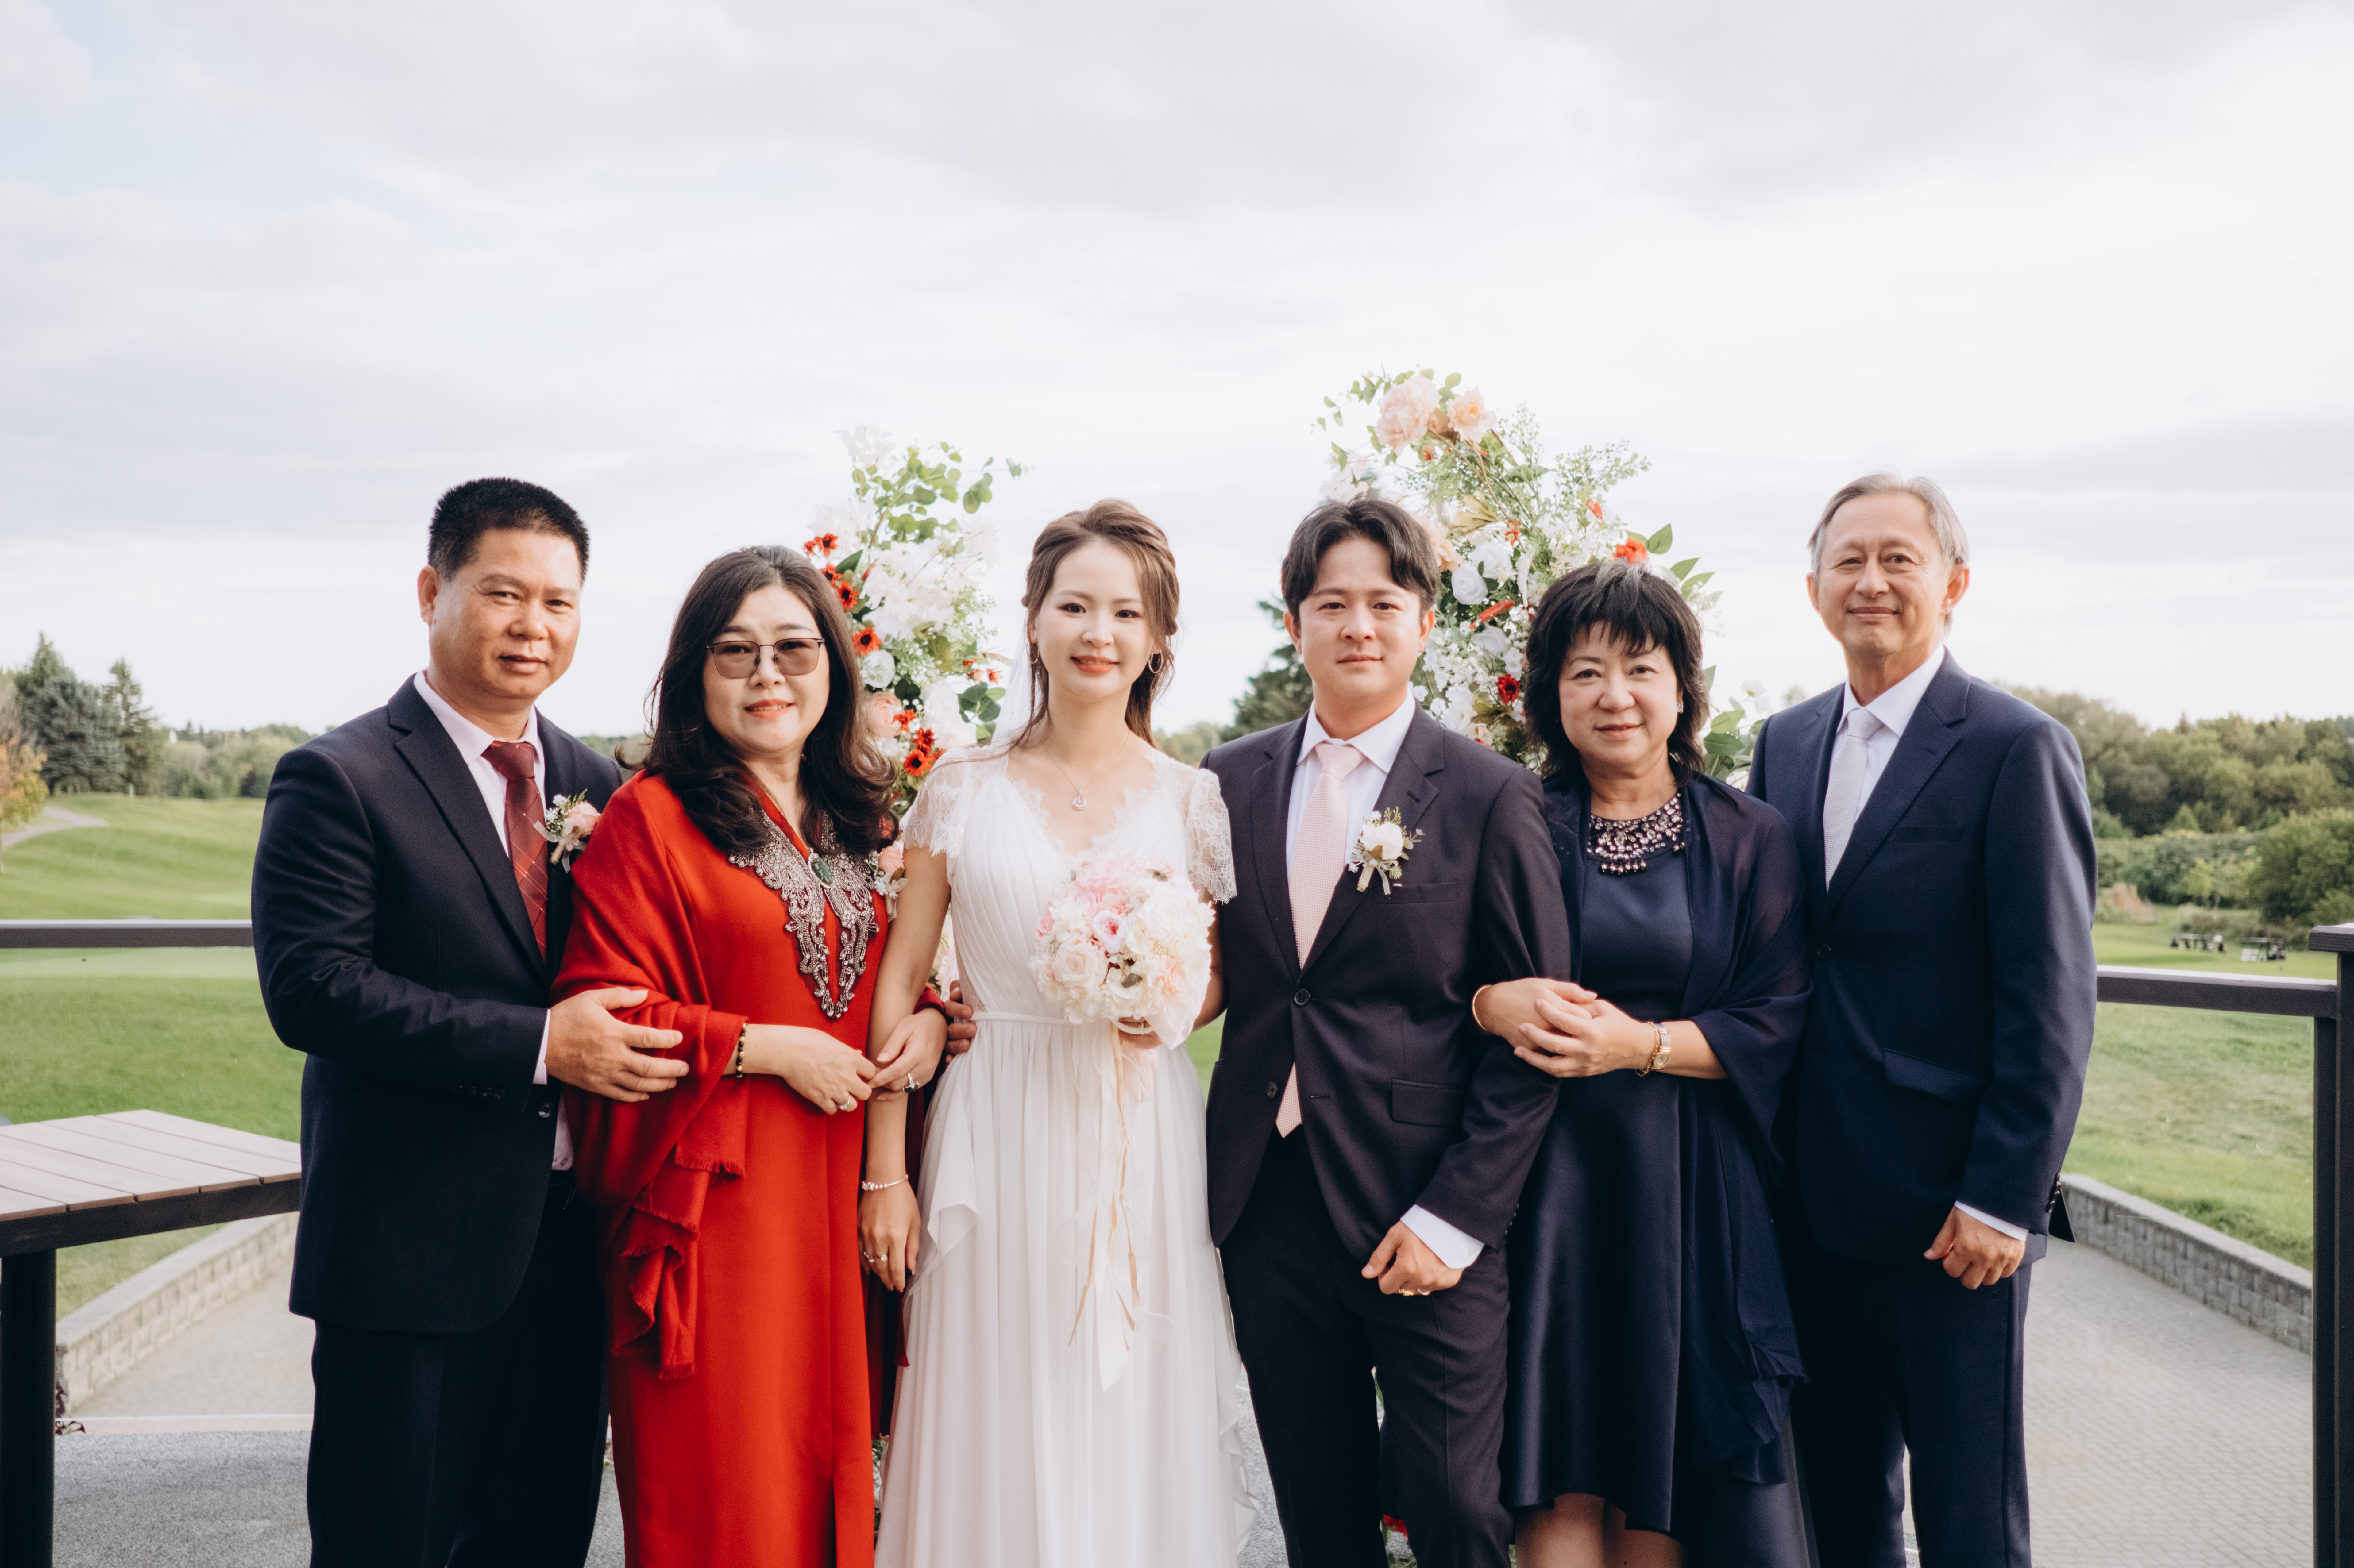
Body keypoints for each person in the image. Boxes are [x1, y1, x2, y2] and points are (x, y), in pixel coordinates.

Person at [254, 478, 685, 1568]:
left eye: (559, 602)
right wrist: (542, 1046)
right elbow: (314, 989)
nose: (533, 625)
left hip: (569, 1248)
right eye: (504, 594)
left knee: (540, 1541)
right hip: (409, 1254)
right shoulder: (340, 776)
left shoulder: (599, 782)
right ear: (431, 592)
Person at [869, 500, 1255, 1568]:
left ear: (1159, 638)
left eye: (1127, 613)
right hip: (995, 1114)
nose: (1100, 633)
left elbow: (1217, 978)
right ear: (1034, 618)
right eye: (1075, 606)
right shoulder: (960, 787)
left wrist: (1162, 1000)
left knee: (1128, 1390)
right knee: (997, 1381)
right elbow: (900, 980)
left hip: (1141, 1124)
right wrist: (885, 1172)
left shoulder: (1194, 798)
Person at [555, 546, 952, 1568]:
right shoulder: (650, 819)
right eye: (736, 652)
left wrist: (931, 1021)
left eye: (793, 650)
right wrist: (762, 1048)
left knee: (837, 1475)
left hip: (853, 1192)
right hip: (723, 1207)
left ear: (834, 668)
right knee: (733, 1492)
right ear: (696, 671)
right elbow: (608, 1016)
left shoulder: (863, 819)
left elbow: (900, 970)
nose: (767, 675)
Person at [1199, 497, 1574, 1568]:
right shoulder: (1227, 779)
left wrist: (1457, 1219)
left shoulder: (1491, 795)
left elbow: (1536, 1035)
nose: (1358, 626)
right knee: (1318, 1512)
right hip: (1270, 1199)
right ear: (1295, 623)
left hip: (1426, 1201)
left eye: (1384, 602)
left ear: (1424, 622)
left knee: (1457, 1511)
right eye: (1332, 604)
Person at [1747, 475, 2096, 1567]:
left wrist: (2003, 1197)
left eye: (1899, 557)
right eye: (1848, 560)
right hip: (1809, 1207)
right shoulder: (1783, 742)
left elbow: (2051, 995)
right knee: (1840, 1506)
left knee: (1969, 1518)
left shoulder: (2016, 746)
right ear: (1813, 588)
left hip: (1955, 1219)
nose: (1872, 581)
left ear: (1954, 583)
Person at [1473, 561, 1812, 1568]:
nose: (1614, 695)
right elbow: (1442, 980)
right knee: (1555, 1471)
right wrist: (1490, 1004)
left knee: (1662, 1482)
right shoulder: (1514, 822)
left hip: (1692, 1193)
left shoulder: (1752, 838)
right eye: (1585, 672)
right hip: (1547, 1192)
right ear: (1551, 695)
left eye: (1640, 669)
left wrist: (1638, 1046)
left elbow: (1779, 1021)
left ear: (1683, 690)